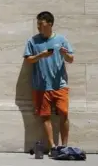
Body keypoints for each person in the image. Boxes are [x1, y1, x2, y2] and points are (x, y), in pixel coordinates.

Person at [23, 11, 74, 156]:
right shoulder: (33, 41)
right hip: (40, 86)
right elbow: (29, 59)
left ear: (50, 24)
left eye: (41, 23)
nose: (38, 27)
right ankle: (53, 147)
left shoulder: (61, 39)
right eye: (37, 24)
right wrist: (41, 55)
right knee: (45, 116)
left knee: (64, 114)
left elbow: (70, 59)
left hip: (60, 85)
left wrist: (65, 54)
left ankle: (64, 146)